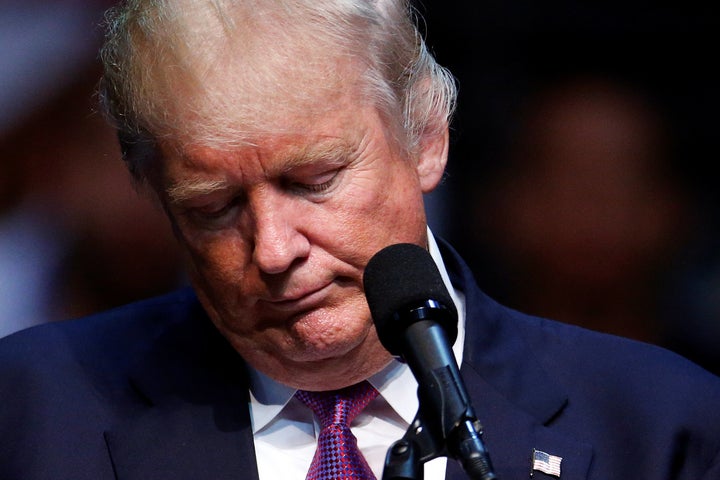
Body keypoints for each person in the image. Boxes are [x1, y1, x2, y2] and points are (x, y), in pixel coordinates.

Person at [1, 1, 719, 479]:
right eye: (214, 206)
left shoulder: (662, 427)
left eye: (314, 180)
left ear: (427, 136)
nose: (274, 249)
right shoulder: (31, 413)